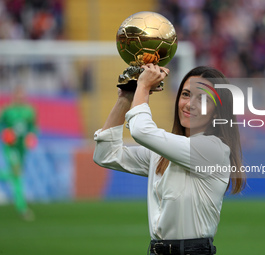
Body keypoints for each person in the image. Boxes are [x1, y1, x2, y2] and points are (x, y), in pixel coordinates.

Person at [93, 64, 246, 254]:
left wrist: (143, 87)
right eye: (186, 94)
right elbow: (106, 154)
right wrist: (126, 98)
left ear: (216, 112)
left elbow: (141, 130)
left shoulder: (214, 149)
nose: (190, 104)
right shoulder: (165, 152)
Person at [0, 86, 38, 221]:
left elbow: (33, 128)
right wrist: (6, 134)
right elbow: (2, 126)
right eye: (18, 95)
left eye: (22, 95)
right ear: (14, 96)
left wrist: (31, 137)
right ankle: (22, 208)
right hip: (11, 148)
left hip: (22, 149)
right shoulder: (8, 111)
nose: (20, 98)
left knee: (16, 175)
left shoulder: (29, 111)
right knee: (17, 176)